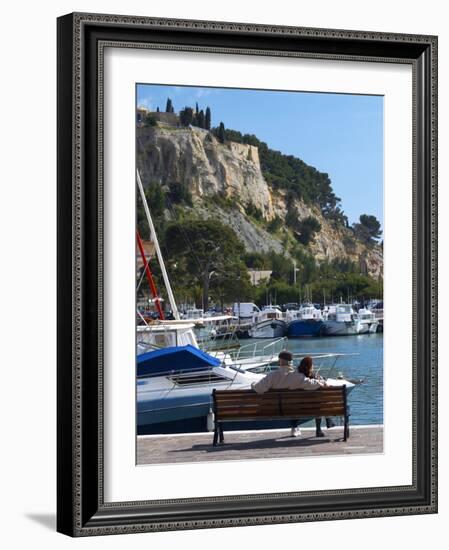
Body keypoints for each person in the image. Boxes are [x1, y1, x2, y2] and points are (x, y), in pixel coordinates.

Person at [252, 350, 325, 437]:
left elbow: (258, 388)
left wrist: (253, 384)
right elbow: (313, 385)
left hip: (274, 409)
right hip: (294, 409)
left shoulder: (271, 376)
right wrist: (321, 381)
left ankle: (294, 427)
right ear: (291, 362)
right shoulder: (297, 377)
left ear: (280, 361)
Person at [297, 356, 335, 437]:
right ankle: (327, 420)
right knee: (320, 402)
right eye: (312, 365)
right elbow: (324, 385)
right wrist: (322, 381)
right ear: (309, 366)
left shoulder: (298, 378)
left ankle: (327, 421)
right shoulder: (312, 380)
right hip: (314, 406)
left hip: (299, 406)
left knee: (318, 402)